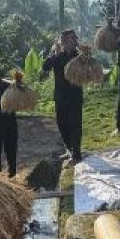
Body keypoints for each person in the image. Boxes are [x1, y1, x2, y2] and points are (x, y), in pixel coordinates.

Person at [41, 29, 84, 164]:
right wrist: (53, 54)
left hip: (75, 95)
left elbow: (88, 71)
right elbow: (45, 67)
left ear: (74, 41)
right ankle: (69, 149)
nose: (67, 42)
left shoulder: (80, 56)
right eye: (64, 40)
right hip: (60, 95)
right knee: (61, 124)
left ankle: (76, 154)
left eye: (70, 39)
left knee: (74, 124)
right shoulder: (57, 56)